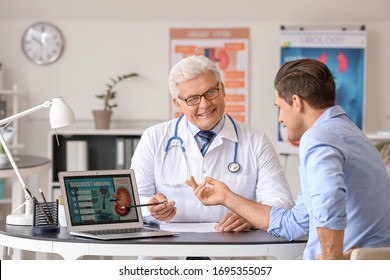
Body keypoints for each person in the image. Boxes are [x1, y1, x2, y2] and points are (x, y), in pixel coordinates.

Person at [186, 58, 390, 260]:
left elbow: (328, 196)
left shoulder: (318, 136)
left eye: (279, 107)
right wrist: (226, 197)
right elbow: (296, 224)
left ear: (296, 102)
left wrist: (331, 261)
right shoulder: (353, 134)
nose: (280, 118)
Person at [130, 55, 294, 258]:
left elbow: (282, 202)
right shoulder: (154, 138)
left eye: (210, 92)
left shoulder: (255, 141)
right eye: (192, 99)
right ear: (178, 103)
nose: (205, 104)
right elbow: (133, 203)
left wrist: (251, 215)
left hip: (234, 260)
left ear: (223, 90)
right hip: (166, 259)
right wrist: (150, 209)